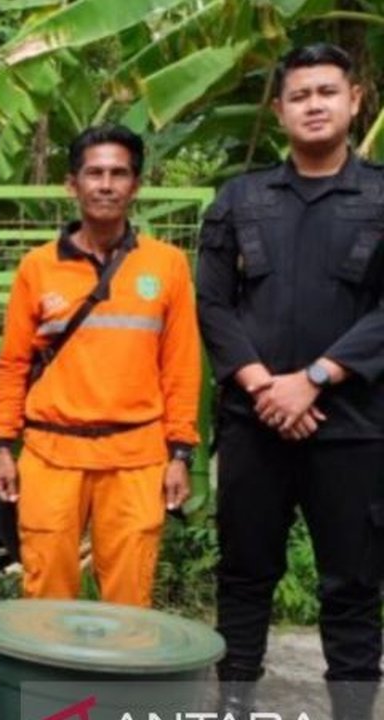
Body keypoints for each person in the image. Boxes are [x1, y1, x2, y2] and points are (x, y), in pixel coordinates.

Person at [196, 43, 383, 720]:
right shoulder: (239, 200)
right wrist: (265, 388)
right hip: (255, 424)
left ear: (355, 99)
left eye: (327, 92)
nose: (314, 105)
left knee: (353, 586)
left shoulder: (381, 195)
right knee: (244, 579)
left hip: (355, 427)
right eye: (300, 95)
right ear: (279, 110)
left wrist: (314, 379)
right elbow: (213, 304)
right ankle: (234, 706)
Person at [0, 125, 201, 607]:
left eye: (118, 173)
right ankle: (51, 686)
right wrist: (4, 445)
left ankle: (114, 687)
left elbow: (182, 366)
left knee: (129, 600)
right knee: (46, 595)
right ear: (72, 184)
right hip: (50, 454)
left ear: (136, 185)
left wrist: (180, 454)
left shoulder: (167, 265)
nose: (106, 184)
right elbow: (13, 363)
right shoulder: (38, 267)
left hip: (136, 457)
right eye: (94, 173)